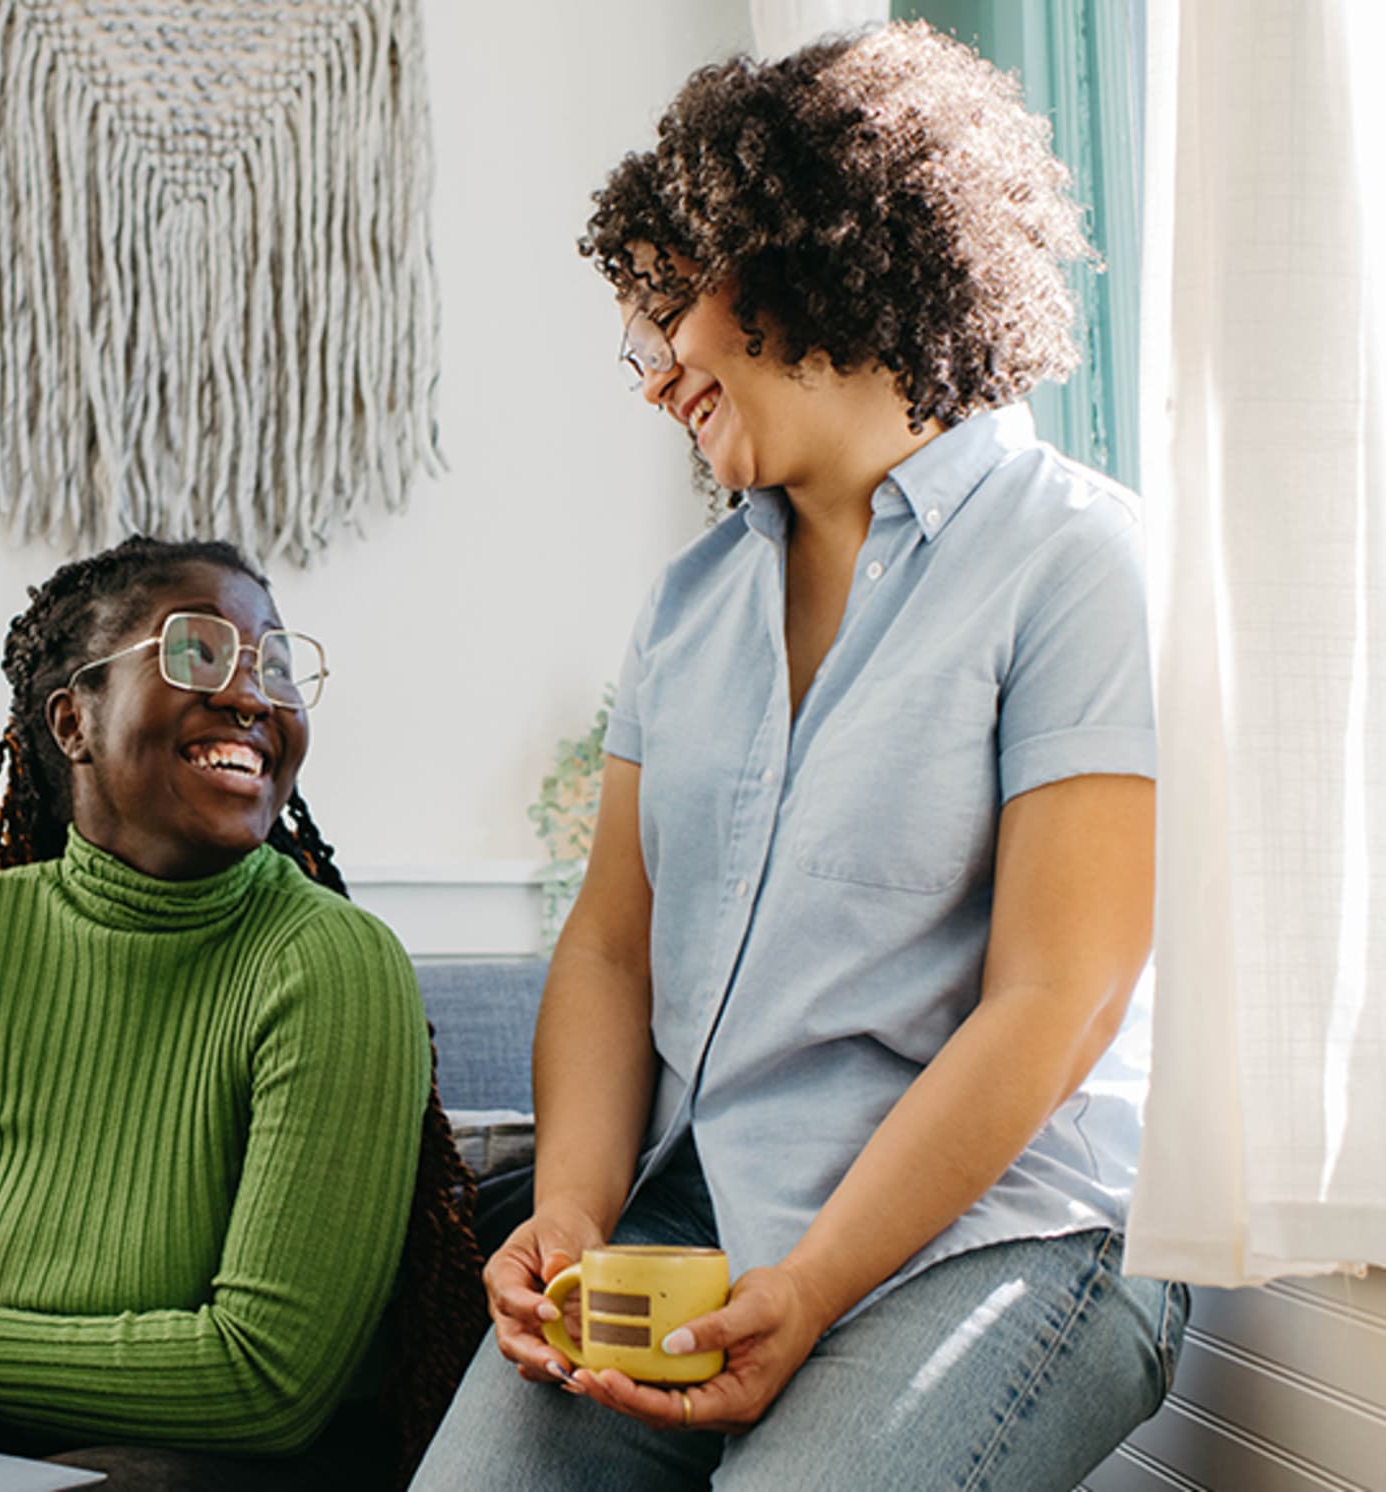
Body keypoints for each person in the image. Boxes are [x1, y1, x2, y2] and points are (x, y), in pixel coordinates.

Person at [414, 23, 1187, 1491]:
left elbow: (1057, 998)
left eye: (666, 318)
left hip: (1008, 1239)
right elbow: (610, 954)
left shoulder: (1075, 560)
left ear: (799, 259)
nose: (650, 378)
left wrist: (818, 1283)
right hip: (697, 1224)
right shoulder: (689, 605)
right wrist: (573, 1212)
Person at [0, 536, 486, 1489]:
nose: (251, 696)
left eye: (274, 665)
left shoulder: (331, 962)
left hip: (215, 1466)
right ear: (73, 720)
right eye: (198, 653)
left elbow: (269, 1382)